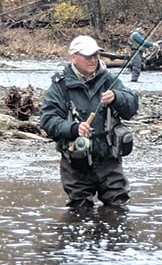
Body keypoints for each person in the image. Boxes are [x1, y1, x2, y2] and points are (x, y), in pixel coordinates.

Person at [40, 35, 139, 209]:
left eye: (95, 55)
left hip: (109, 159)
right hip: (75, 163)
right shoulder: (60, 85)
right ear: (73, 57)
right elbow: (48, 120)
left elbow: (132, 107)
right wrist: (73, 128)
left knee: (118, 209)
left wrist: (117, 97)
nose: (93, 60)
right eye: (87, 56)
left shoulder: (109, 80)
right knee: (79, 212)